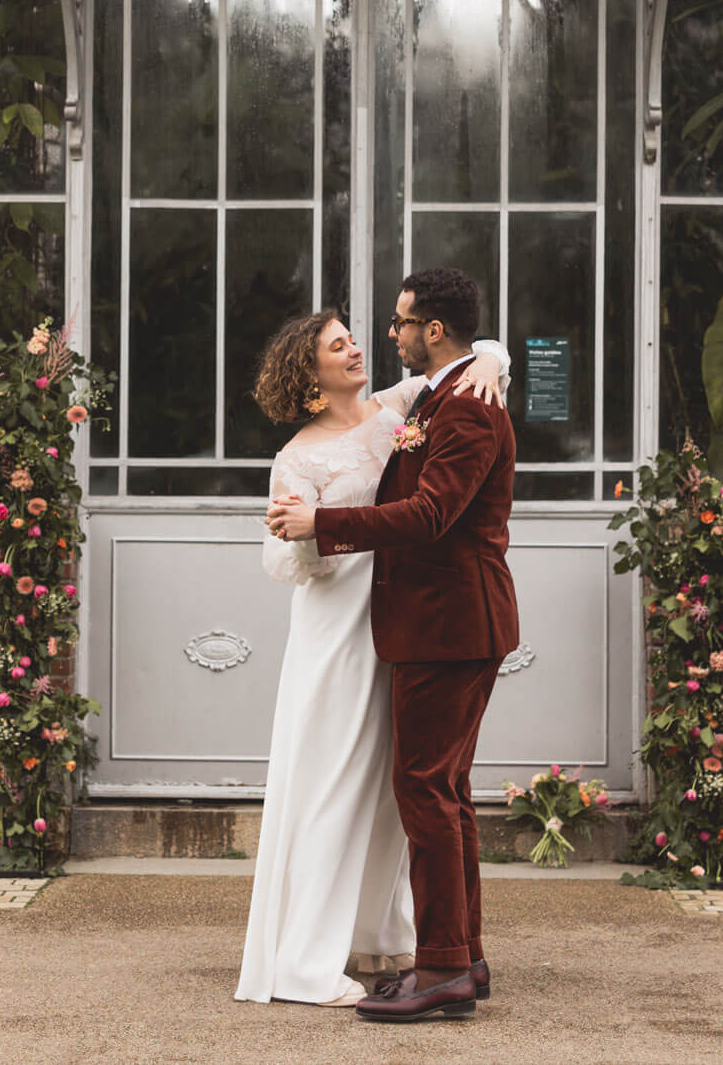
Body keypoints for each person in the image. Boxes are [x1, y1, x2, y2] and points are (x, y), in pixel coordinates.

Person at [234, 301, 509, 1009]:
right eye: (338, 345)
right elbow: (284, 561)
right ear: (310, 373)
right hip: (339, 630)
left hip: (405, 622)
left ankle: (386, 932)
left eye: (355, 339)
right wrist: (305, 536)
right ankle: (304, 959)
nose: (358, 349)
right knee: (335, 783)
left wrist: (492, 356)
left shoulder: (399, 408)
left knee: (400, 791)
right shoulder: (298, 456)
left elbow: (473, 363)